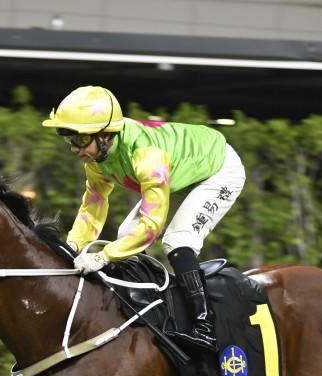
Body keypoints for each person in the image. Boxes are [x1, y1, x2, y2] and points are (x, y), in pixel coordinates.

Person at [42, 85, 245, 352]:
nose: (74, 149)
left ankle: (204, 326)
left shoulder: (146, 155)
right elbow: (93, 207)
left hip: (218, 170)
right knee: (127, 234)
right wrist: (73, 246)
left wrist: (103, 256)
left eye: (80, 140)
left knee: (177, 240)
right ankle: (151, 308)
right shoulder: (96, 161)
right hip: (180, 174)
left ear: (105, 136)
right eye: (69, 139)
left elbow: (152, 226)